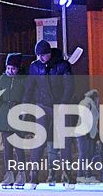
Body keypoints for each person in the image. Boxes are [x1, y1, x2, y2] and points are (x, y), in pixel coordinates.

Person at [27, 40, 71, 186]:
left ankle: (67, 175)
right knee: (39, 140)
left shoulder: (62, 65)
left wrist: (64, 103)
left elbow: (69, 86)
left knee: (64, 142)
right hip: (43, 106)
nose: (41, 58)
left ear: (49, 53)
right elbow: (30, 88)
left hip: (60, 106)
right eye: (38, 55)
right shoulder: (34, 67)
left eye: (43, 55)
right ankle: (34, 177)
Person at [0, 53, 28, 188]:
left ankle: (21, 174)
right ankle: (9, 174)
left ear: (18, 68)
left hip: (18, 114)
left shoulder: (23, 80)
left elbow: (27, 96)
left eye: (13, 68)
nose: (10, 71)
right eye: (8, 68)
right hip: (4, 115)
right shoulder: (3, 78)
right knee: (7, 148)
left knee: (19, 147)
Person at [77, 88, 103, 184]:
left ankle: (88, 175)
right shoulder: (86, 102)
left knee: (89, 155)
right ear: (95, 97)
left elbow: (94, 122)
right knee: (83, 154)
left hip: (90, 133)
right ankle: (80, 175)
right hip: (83, 132)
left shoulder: (93, 104)